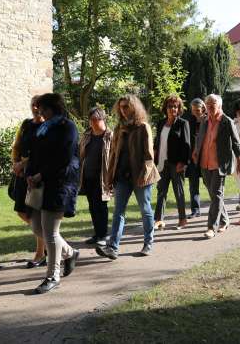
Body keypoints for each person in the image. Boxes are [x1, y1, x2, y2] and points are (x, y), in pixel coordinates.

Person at [26, 93, 80, 294]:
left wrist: (41, 174)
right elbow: (35, 155)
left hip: (60, 183)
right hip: (40, 183)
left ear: (53, 108)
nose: (40, 112)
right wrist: (30, 174)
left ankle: (52, 276)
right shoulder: (43, 128)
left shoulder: (68, 127)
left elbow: (63, 158)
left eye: (43, 109)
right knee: (36, 227)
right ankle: (70, 253)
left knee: (50, 232)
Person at [96, 95, 159, 260]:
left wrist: (144, 176)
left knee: (145, 210)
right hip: (122, 176)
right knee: (118, 212)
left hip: (141, 176)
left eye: (126, 107)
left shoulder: (143, 127)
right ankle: (113, 247)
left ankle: (148, 243)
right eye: (121, 107)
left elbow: (149, 157)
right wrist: (109, 177)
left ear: (134, 107)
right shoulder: (119, 128)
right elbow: (114, 155)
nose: (123, 110)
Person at [192, 94, 240, 239]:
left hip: (220, 163)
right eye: (207, 104)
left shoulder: (226, 121)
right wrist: (196, 151)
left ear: (219, 105)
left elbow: (236, 142)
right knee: (214, 195)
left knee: (216, 194)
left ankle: (211, 227)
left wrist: (239, 161)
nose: (209, 106)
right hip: (204, 162)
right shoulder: (204, 120)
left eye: (212, 103)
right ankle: (225, 220)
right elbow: (201, 137)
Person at [10, 95, 46, 268]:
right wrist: (15, 163)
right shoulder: (26, 124)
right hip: (23, 175)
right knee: (22, 211)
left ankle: (40, 253)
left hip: (37, 175)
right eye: (33, 105)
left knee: (34, 214)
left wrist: (22, 163)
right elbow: (17, 145)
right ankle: (49, 239)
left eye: (38, 105)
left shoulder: (48, 127)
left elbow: (40, 153)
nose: (35, 108)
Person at [154, 94, 190, 230]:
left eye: (175, 107)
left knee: (178, 192)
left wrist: (184, 162)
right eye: (170, 106)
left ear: (179, 108)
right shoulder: (161, 123)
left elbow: (187, 145)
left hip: (177, 164)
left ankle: (182, 219)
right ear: (166, 108)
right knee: (161, 191)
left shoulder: (183, 124)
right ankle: (159, 219)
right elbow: (158, 142)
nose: (173, 109)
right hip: (162, 163)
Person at [79, 107, 113, 246]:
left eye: (95, 120)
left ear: (102, 119)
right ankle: (97, 233)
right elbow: (80, 153)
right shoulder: (87, 135)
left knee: (101, 206)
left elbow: (114, 157)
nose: (92, 123)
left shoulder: (110, 136)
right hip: (87, 177)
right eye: (91, 120)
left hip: (103, 178)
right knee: (92, 206)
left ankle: (103, 235)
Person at [183, 98, 206, 219]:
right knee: (193, 185)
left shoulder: (208, 121)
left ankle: (216, 206)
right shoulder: (188, 122)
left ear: (203, 109)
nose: (195, 112)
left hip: (206, 157)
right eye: (193, 110)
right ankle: (195, 210)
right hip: (192, 158)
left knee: (209, 183)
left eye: (197, 110)